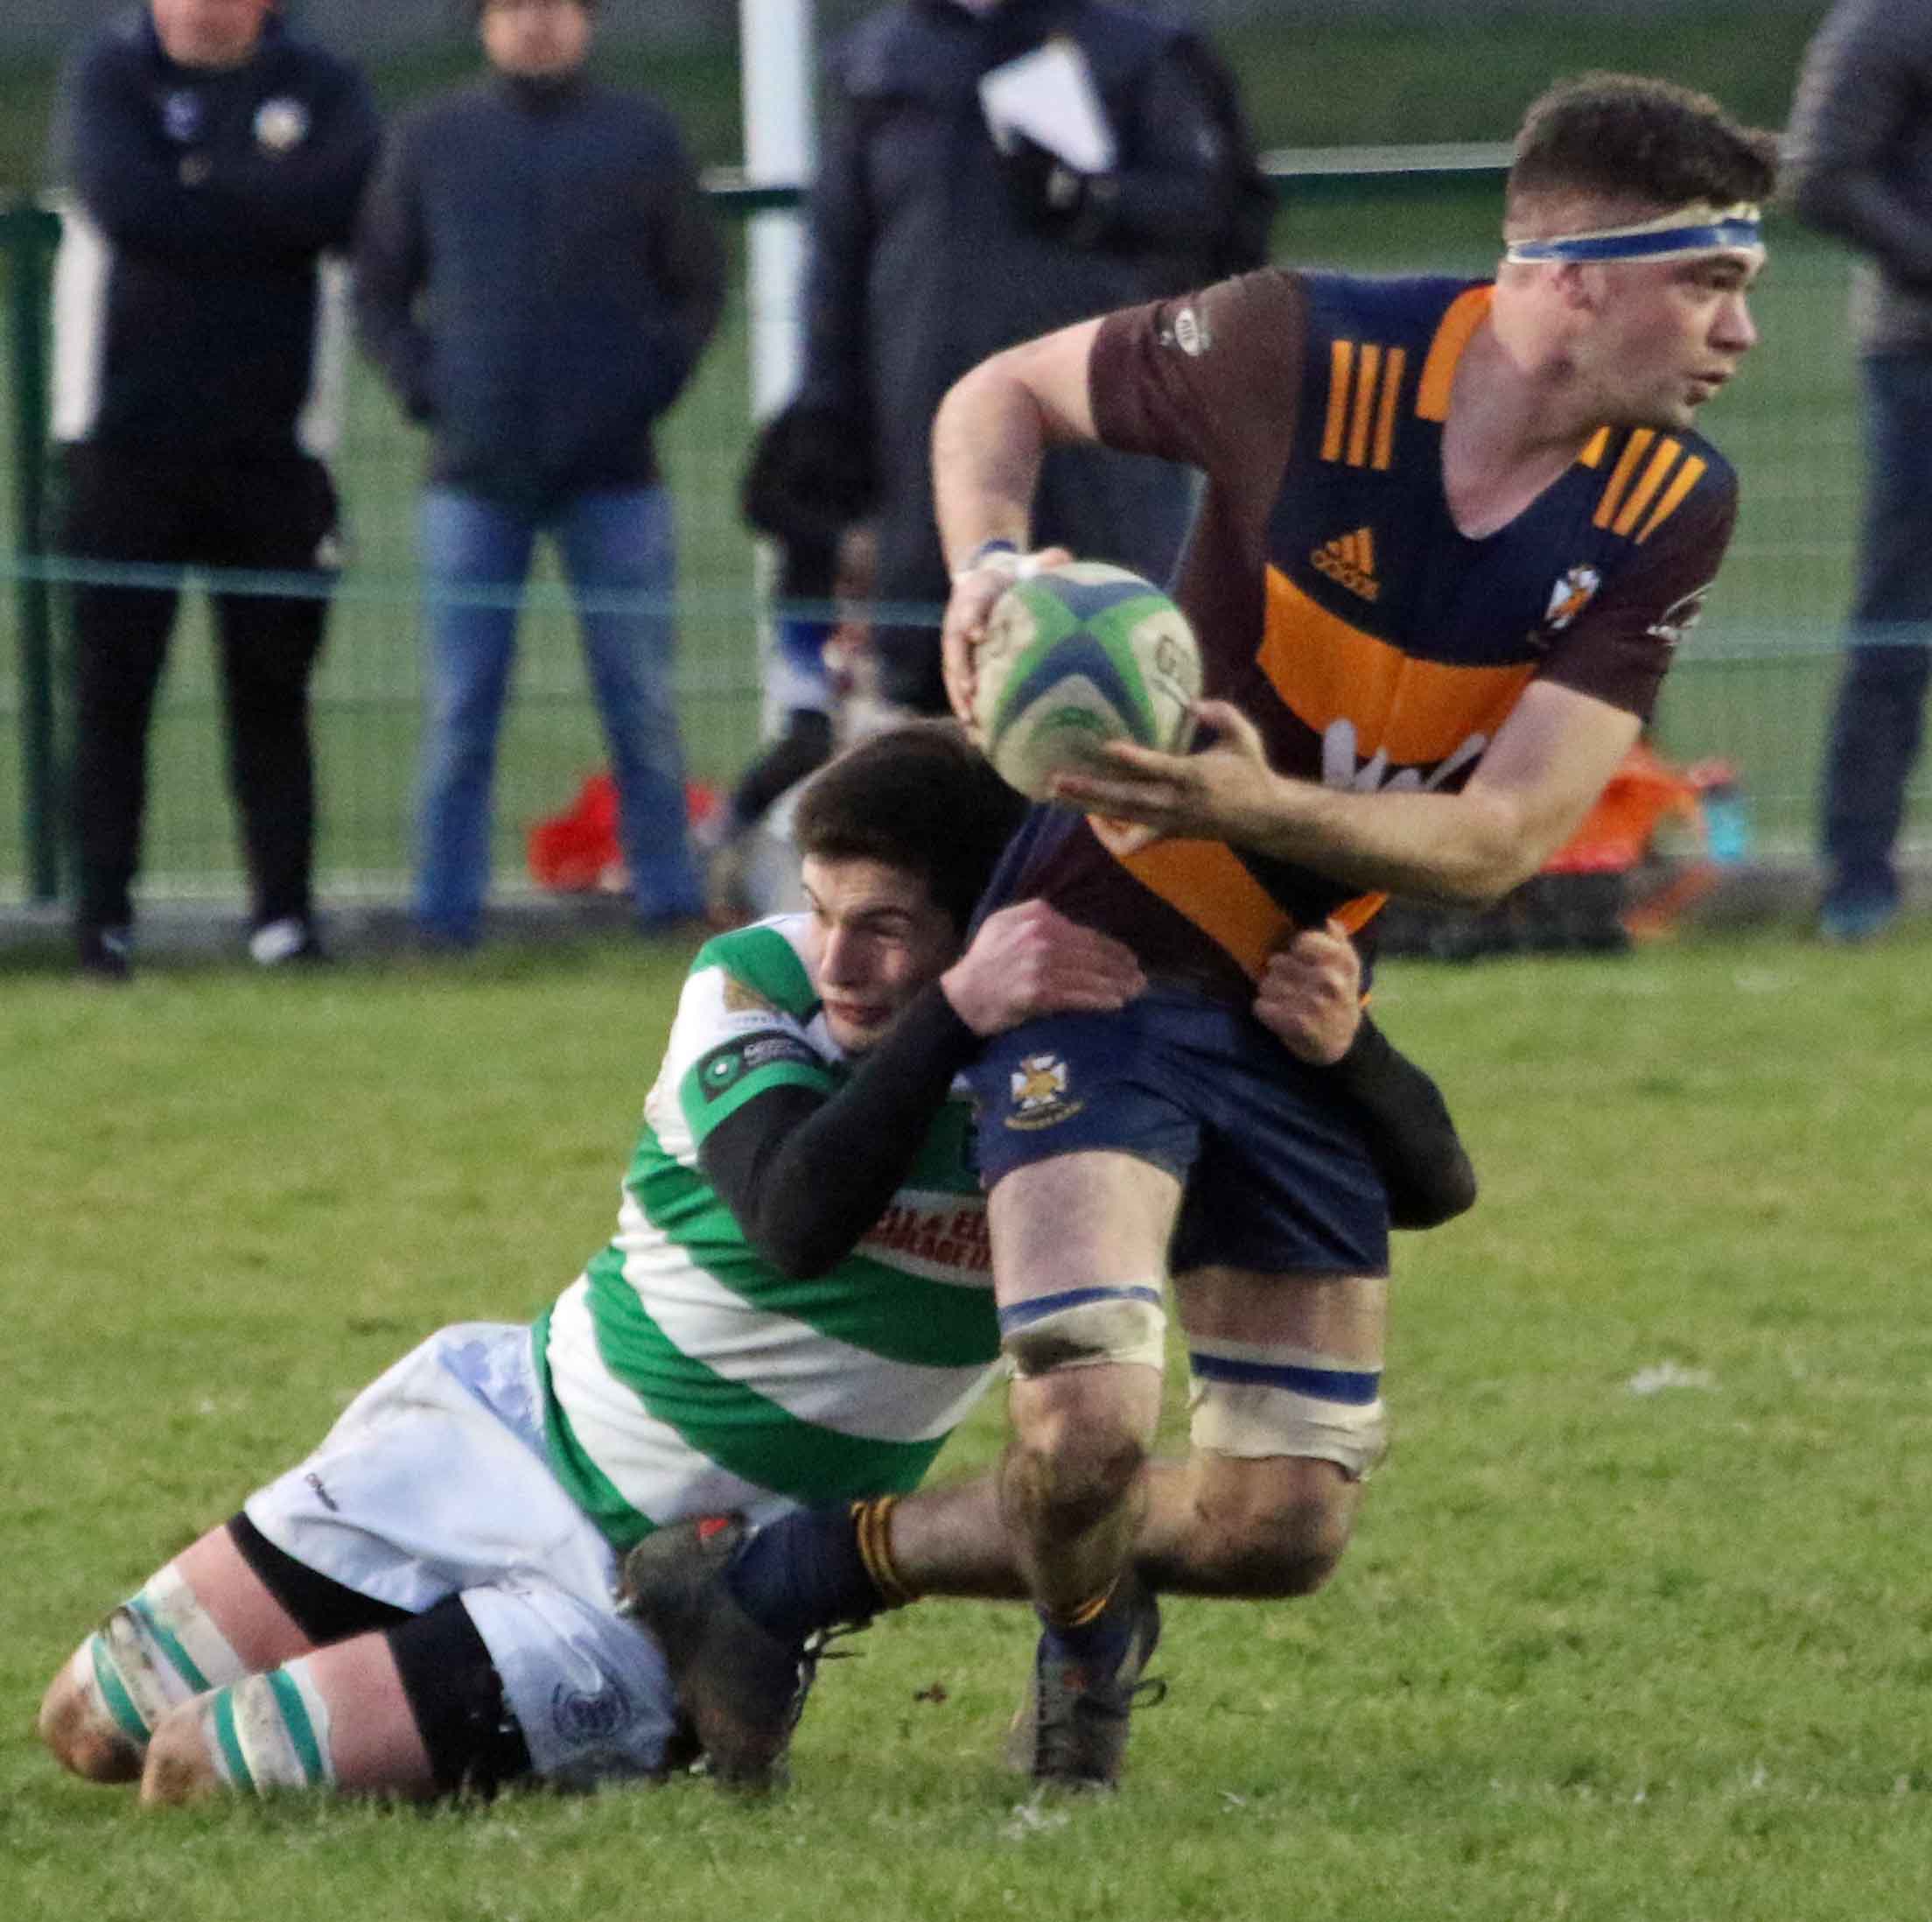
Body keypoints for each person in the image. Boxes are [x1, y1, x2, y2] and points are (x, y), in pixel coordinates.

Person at [625, 72, 1777, 1792]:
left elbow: (1508, 836)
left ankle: (785, 1571)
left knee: (1275, 1529)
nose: (1742, 332)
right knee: (1083, 1423)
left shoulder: (1665, 501)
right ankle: (1079, 1662)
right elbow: (994, 392)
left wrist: (1256, 814)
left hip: (1297, 1000)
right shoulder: (1302, 351)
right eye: (1710, 283)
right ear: (1579, 275)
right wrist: (986, 570)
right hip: (1097, 950)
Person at [36, 724, 1466, 1803]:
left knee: (196, 1774)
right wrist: (951, 1008)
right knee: (89, 1729)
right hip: (500, 1429)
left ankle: (626, 1695)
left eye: (886, 926)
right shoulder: (753, 980)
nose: (837, 956)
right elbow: (797, 1212)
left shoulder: (1087, 1084)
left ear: (983, 920)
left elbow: (1430, 1183)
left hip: (669, 1593)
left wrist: (1347, 1053)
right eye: (824, 906)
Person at [354, 0, 726, 949]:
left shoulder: (640, 136)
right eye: (515, 9)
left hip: (616, 472)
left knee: (640, 703)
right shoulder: (434, 139)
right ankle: (443, 920)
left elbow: (697, 285)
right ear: (484, 24)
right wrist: (432, 391)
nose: (536, 27)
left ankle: (669, 905)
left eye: (554, 8)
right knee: (461, 709)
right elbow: (380, 289)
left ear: (586, 22)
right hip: (473, 476)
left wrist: (645, 385)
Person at [788, 0, 1272, 717]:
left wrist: (1101, 201)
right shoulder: (881, 65)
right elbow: (838, 257)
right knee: (940, 678)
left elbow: (1221, 217)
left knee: (1124, 670)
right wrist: (824, 408)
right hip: (926, 438)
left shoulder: (1141, 46)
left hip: (1104, 441)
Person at [47, 0, 379, 980]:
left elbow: (337, 200)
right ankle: (102, 920)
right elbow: (130, 207)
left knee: (272, 694)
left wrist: (204, 185)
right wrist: (259, 198)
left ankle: (283, 919)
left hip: (275, 456)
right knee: (113, 697)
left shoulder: (324, 84)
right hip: (122, 452)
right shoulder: (108, 75)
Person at [1783, 1, 1932, 943]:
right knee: (1899, 620)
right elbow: (1821, 174)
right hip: (1922, 358)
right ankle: (1858, 882)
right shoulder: (1890, 20)